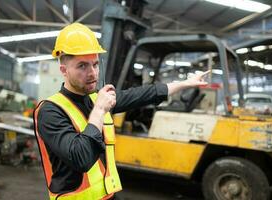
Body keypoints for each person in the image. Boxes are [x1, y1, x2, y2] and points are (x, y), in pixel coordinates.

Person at [33, 23, 209, 200]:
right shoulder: (50, 111)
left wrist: (184, 84)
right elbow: (81, 158)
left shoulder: (96, 98)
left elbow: (142, 94)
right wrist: (100, 110)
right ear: (64, 70)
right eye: (82, 66)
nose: (93, 73)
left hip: (108, 196)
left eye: (95, 64)